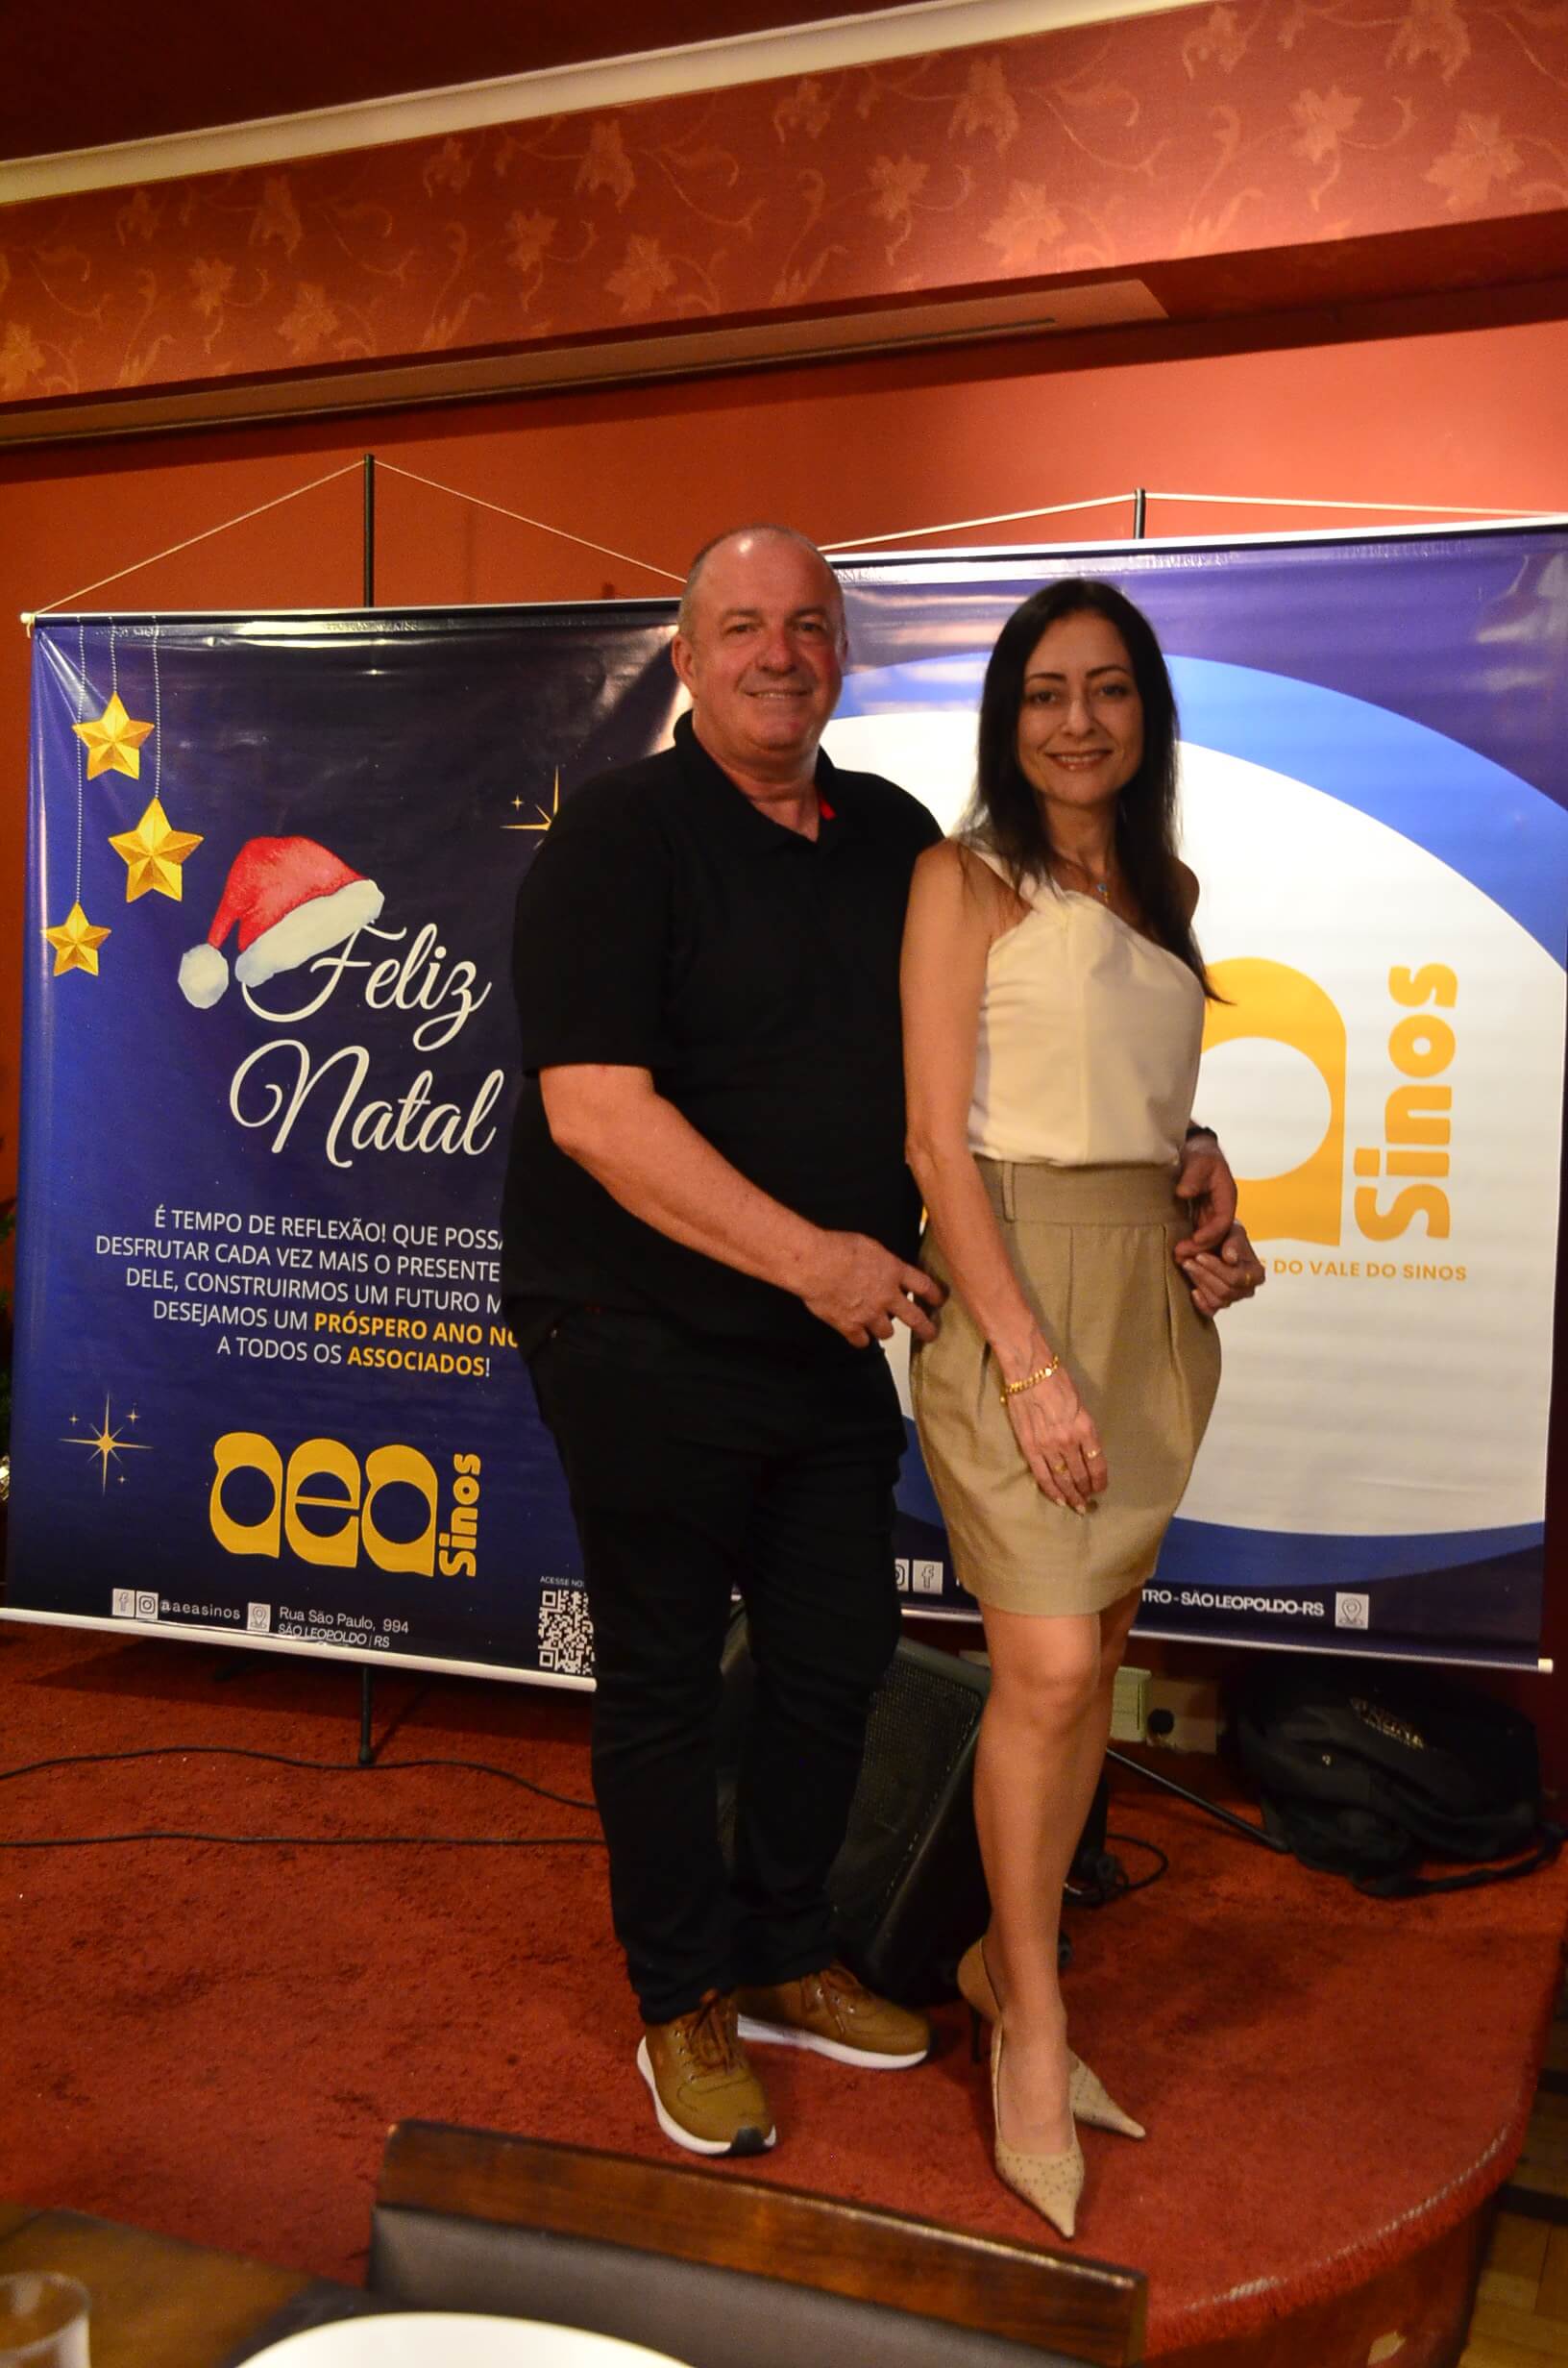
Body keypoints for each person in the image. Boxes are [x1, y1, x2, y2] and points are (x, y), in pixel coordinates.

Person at [501, 526, 947, 2159]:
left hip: (820, 1338)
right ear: (686, 659)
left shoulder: (896, 836)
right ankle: (680, 1995)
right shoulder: (619, 837)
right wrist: (817, 1261)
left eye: (809, 625)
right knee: (667, 1677)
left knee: (837, 1655)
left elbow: (995, 1046)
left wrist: (1178, 1139)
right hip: (636, 1329)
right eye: (744, 625)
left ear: (841, 656)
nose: (780, 652)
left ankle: (781, 1950)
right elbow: (596, 1114)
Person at [900, 577, 1264, 2238]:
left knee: (1094, 1661)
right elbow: (937, 1141)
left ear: (1146, 713)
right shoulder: (962, 880)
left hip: (1144, 1294)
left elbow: (1137, 1097)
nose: (1077, 721)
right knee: (1045, 1669)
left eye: (1108, 689)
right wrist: (1027, 1364)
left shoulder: (1166, 889)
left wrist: (1206, 1172)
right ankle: (1031, 2025)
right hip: (1015, 1287)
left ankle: (1006, 1955)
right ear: (1008, 715)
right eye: (1045, 692)